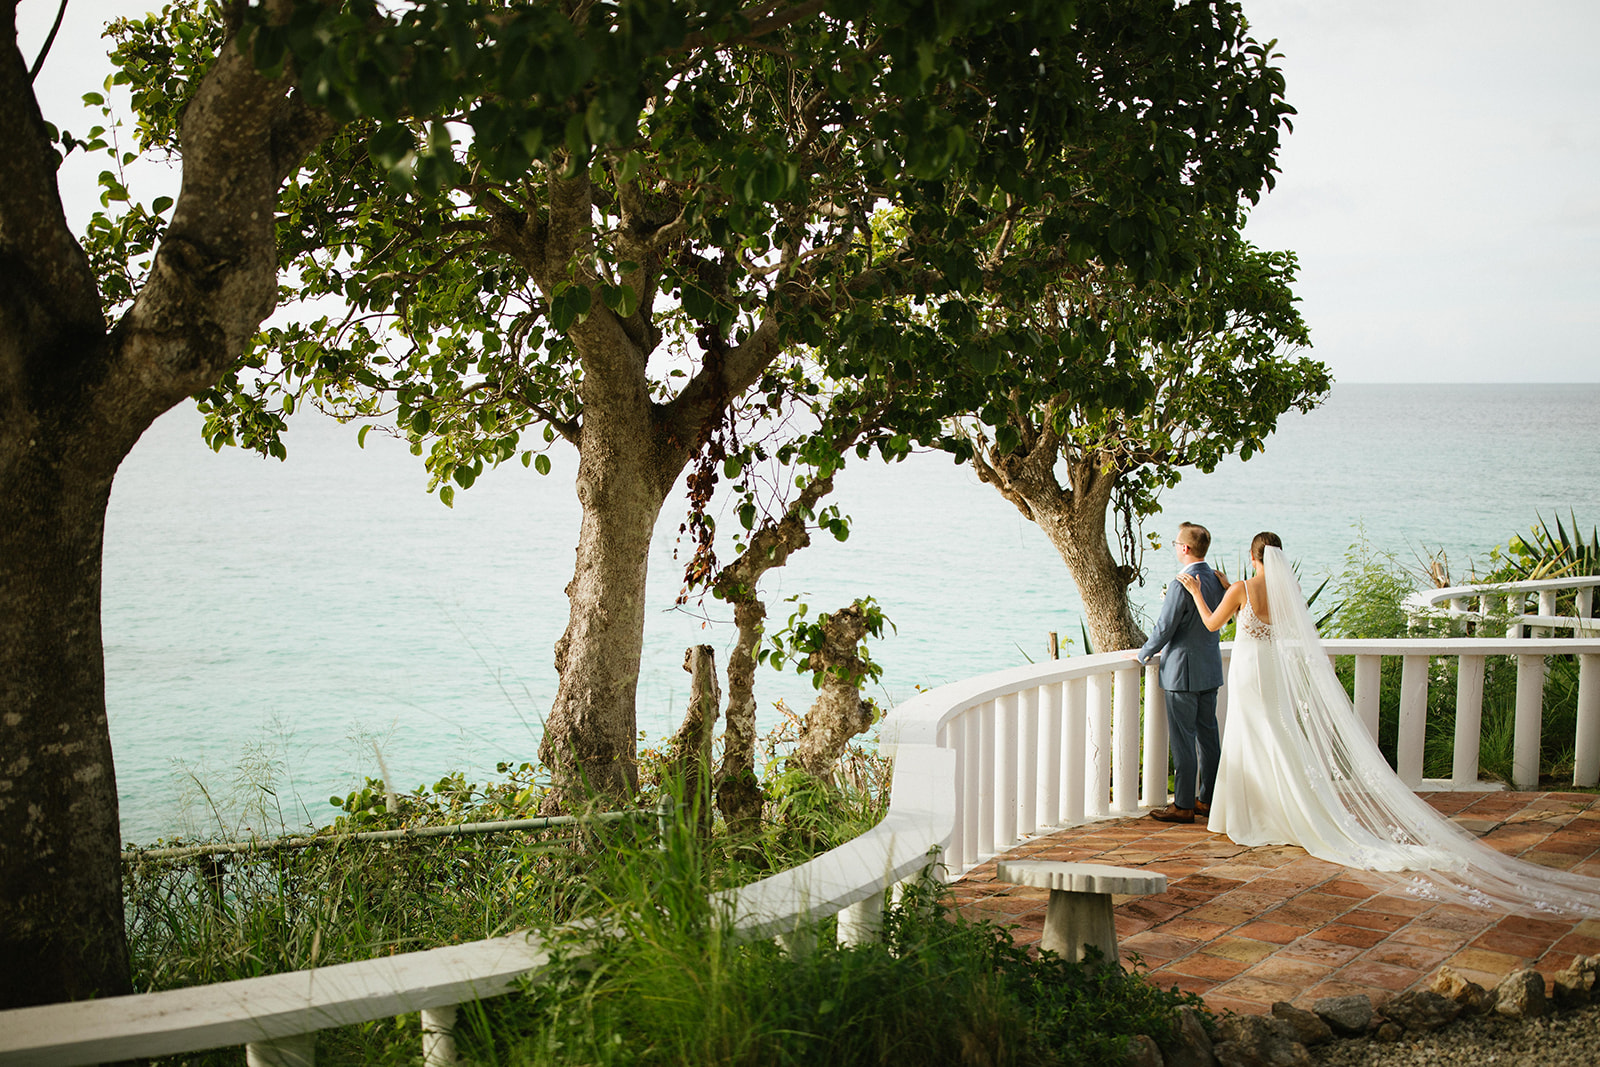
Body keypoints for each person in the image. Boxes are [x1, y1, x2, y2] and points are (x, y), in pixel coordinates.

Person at [1174, 532, 1600, 917]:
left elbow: (1214, 622)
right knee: (1276, 735)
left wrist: (1196, 591)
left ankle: (1252, 814)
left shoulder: (1243, 589)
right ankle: (1282, 810)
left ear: (1253, 558)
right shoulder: (1286, 591)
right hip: (1272, 673)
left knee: (1250, 735)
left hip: (1249, 674)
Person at [1134, 522, 1226, 824]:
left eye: (1176, 543)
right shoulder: (1217, 579)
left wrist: (1143, 652)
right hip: (1209, 670)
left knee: (1184, 740)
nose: (1175, 547)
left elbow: (1165, 627)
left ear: (1185, 548)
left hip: (1182, 673)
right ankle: (1206, 800)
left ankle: (1183, 805)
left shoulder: (1182, 583)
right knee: (1209, 739)